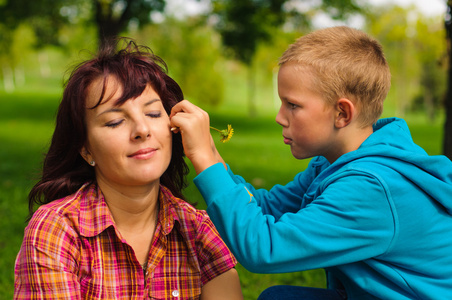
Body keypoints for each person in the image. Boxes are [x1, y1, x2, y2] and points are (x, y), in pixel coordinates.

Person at [169, 26, 452, 299]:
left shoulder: (373, 188)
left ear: (342, 113)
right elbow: (266, 207)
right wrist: (212, 156)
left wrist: (204, 159)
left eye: (292, 105)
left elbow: (264, 248)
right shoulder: (333, 163)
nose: (280, 117)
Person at [14, 39, 243, 300]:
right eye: (114, 121)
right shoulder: (56, 230)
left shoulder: (198, 229)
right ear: (85, 149)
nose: (142, 130)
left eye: (154, 114)